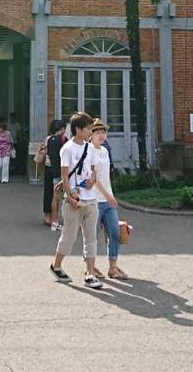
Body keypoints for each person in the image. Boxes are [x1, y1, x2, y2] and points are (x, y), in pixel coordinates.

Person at [49, 112, 103, 289]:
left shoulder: (90, 148)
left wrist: (93, 179)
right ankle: (56, 265)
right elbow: (65, 175)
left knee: (91, 237)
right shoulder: (68, 148)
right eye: (88, 128)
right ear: (78, 129)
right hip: (73, 199)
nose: (90, 132)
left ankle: (90, 273)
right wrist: (70, 197)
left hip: (90, 198)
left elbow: (93, 170)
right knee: (69, 236)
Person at [89, 119, 127, 280]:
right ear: (90, 135)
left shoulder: (105, 150)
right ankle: (90, 268)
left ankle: (113, 267)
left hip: (108, 200)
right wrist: (108, 196)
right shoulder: (89, 151)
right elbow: (94, 179)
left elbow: (106, 176)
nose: (101, 135)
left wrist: (111, 194)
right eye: (97, 132)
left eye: (103, 132)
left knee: (115, 233)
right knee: (92, 236)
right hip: (94, 200)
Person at [39, 119, 67, 228]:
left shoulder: (48, 139)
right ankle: (54, 219)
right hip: (57, 168)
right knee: (56, 195)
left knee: (48, 192)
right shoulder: (62, 139)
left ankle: (47, 217)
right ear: (62, 129)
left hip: (48, 167)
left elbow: (43, 150)